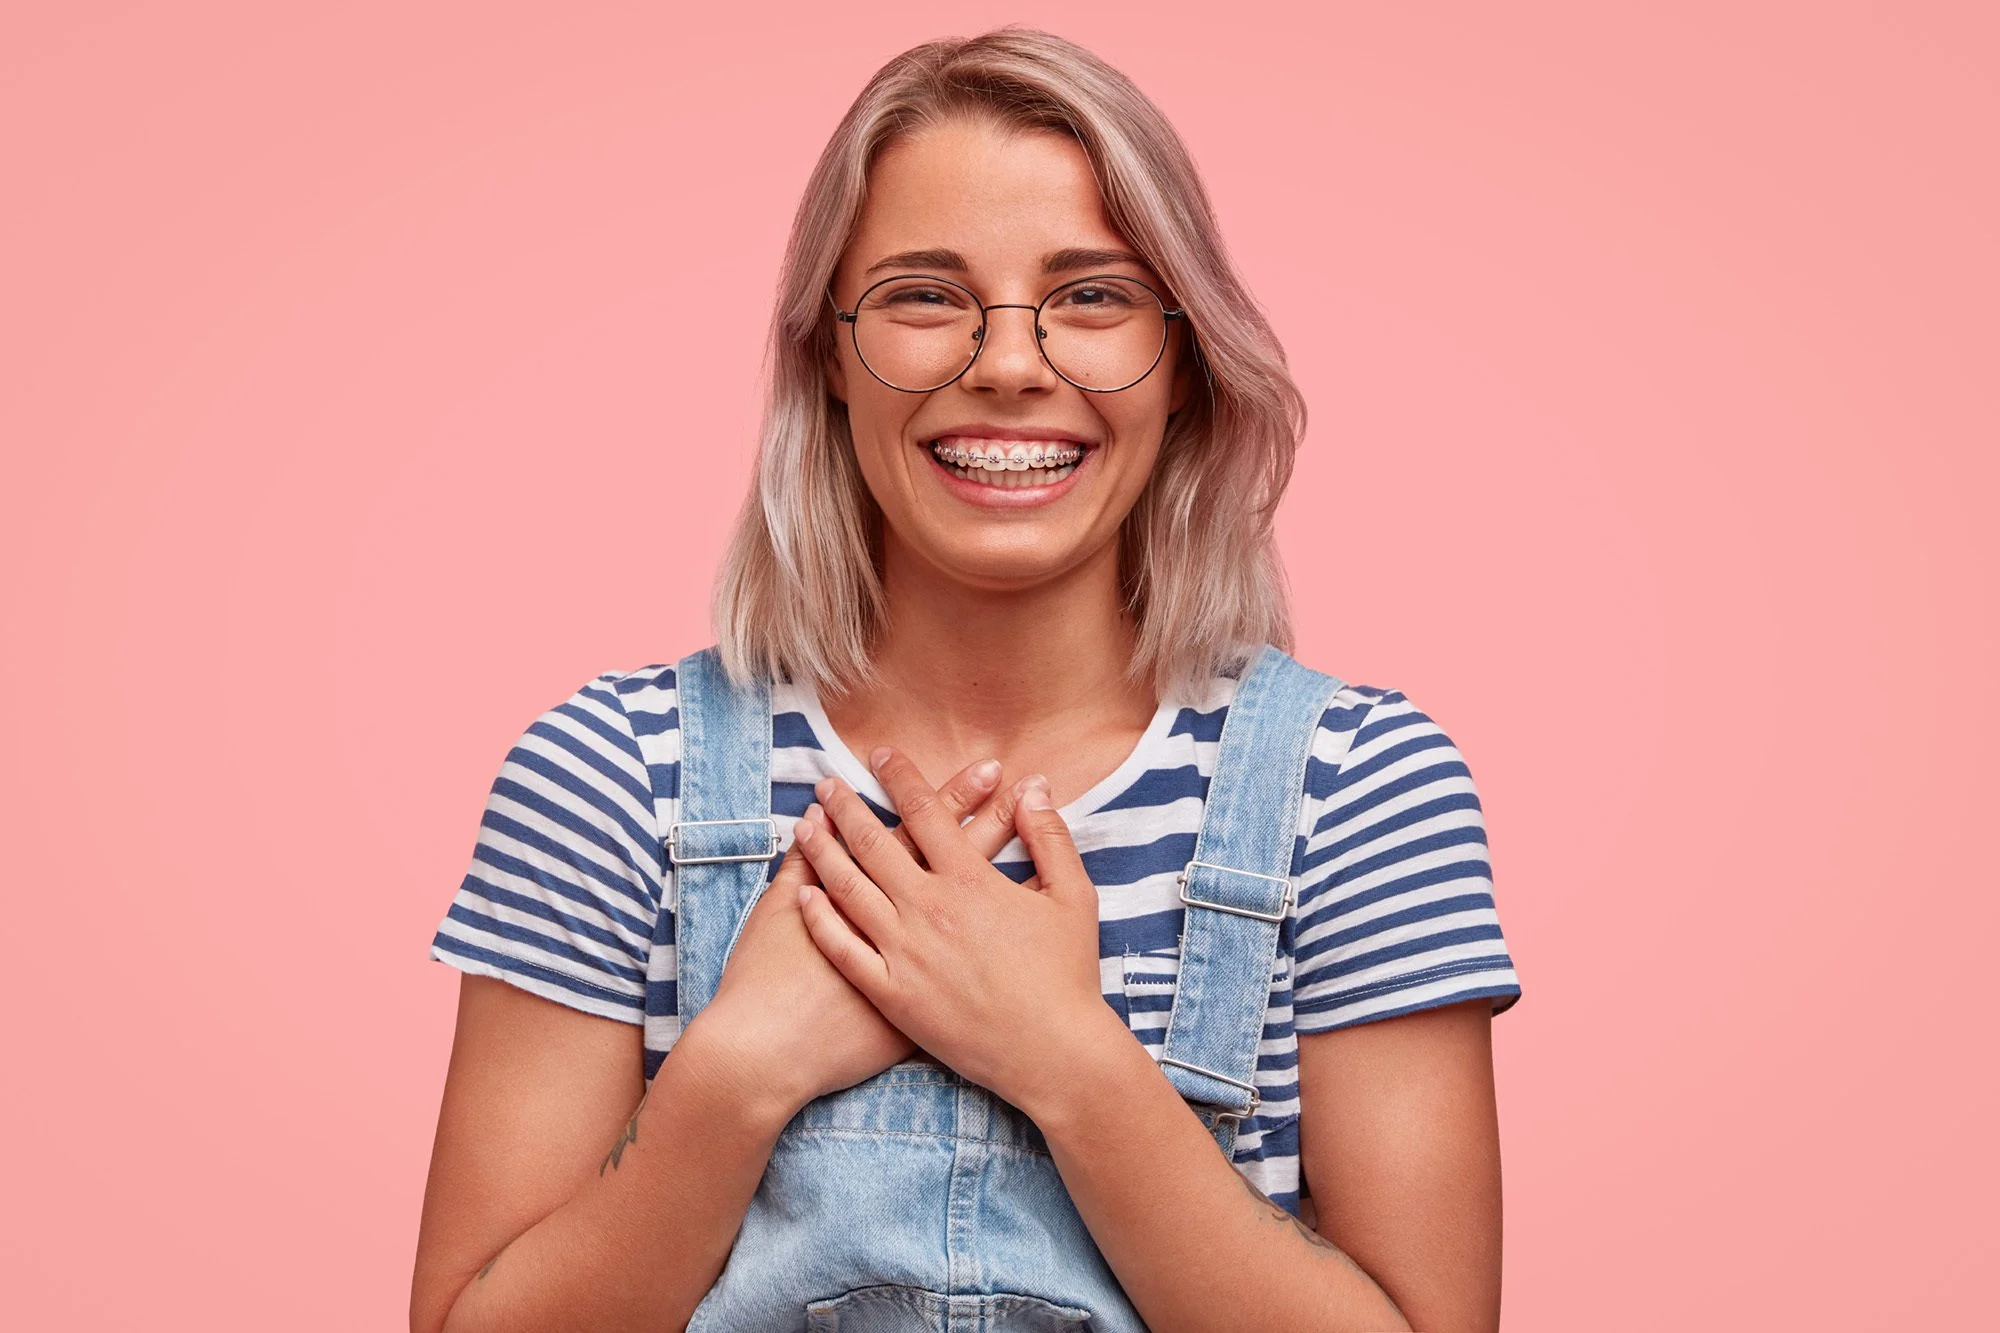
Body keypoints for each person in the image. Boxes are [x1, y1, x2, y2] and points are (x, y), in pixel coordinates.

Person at [411, 26, 1521, 1333]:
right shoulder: (609, 778)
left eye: (1093, 295)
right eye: (925, 294)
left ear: (1184, 361)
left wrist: (1069, 1062)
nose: (1007, 362)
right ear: (829, 353)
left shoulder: (1360, 791)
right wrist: (733, 1081)